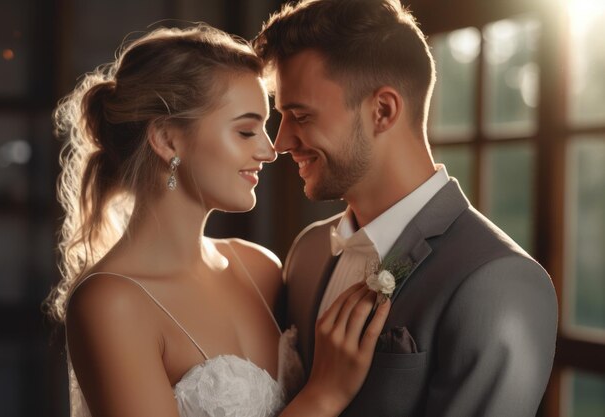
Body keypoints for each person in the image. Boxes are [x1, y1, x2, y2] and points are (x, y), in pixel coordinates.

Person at [45, 25, 391, 417]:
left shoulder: (260, 268)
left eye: (264, 128)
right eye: (246, 131)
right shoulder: (111, 304)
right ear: (167, 139)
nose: (269, 150)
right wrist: (324, 395)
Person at [253, 0, 558, 416]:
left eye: (301, 116)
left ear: (383, 110)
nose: (281, 142)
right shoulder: (306, 254)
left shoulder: (499, 282)